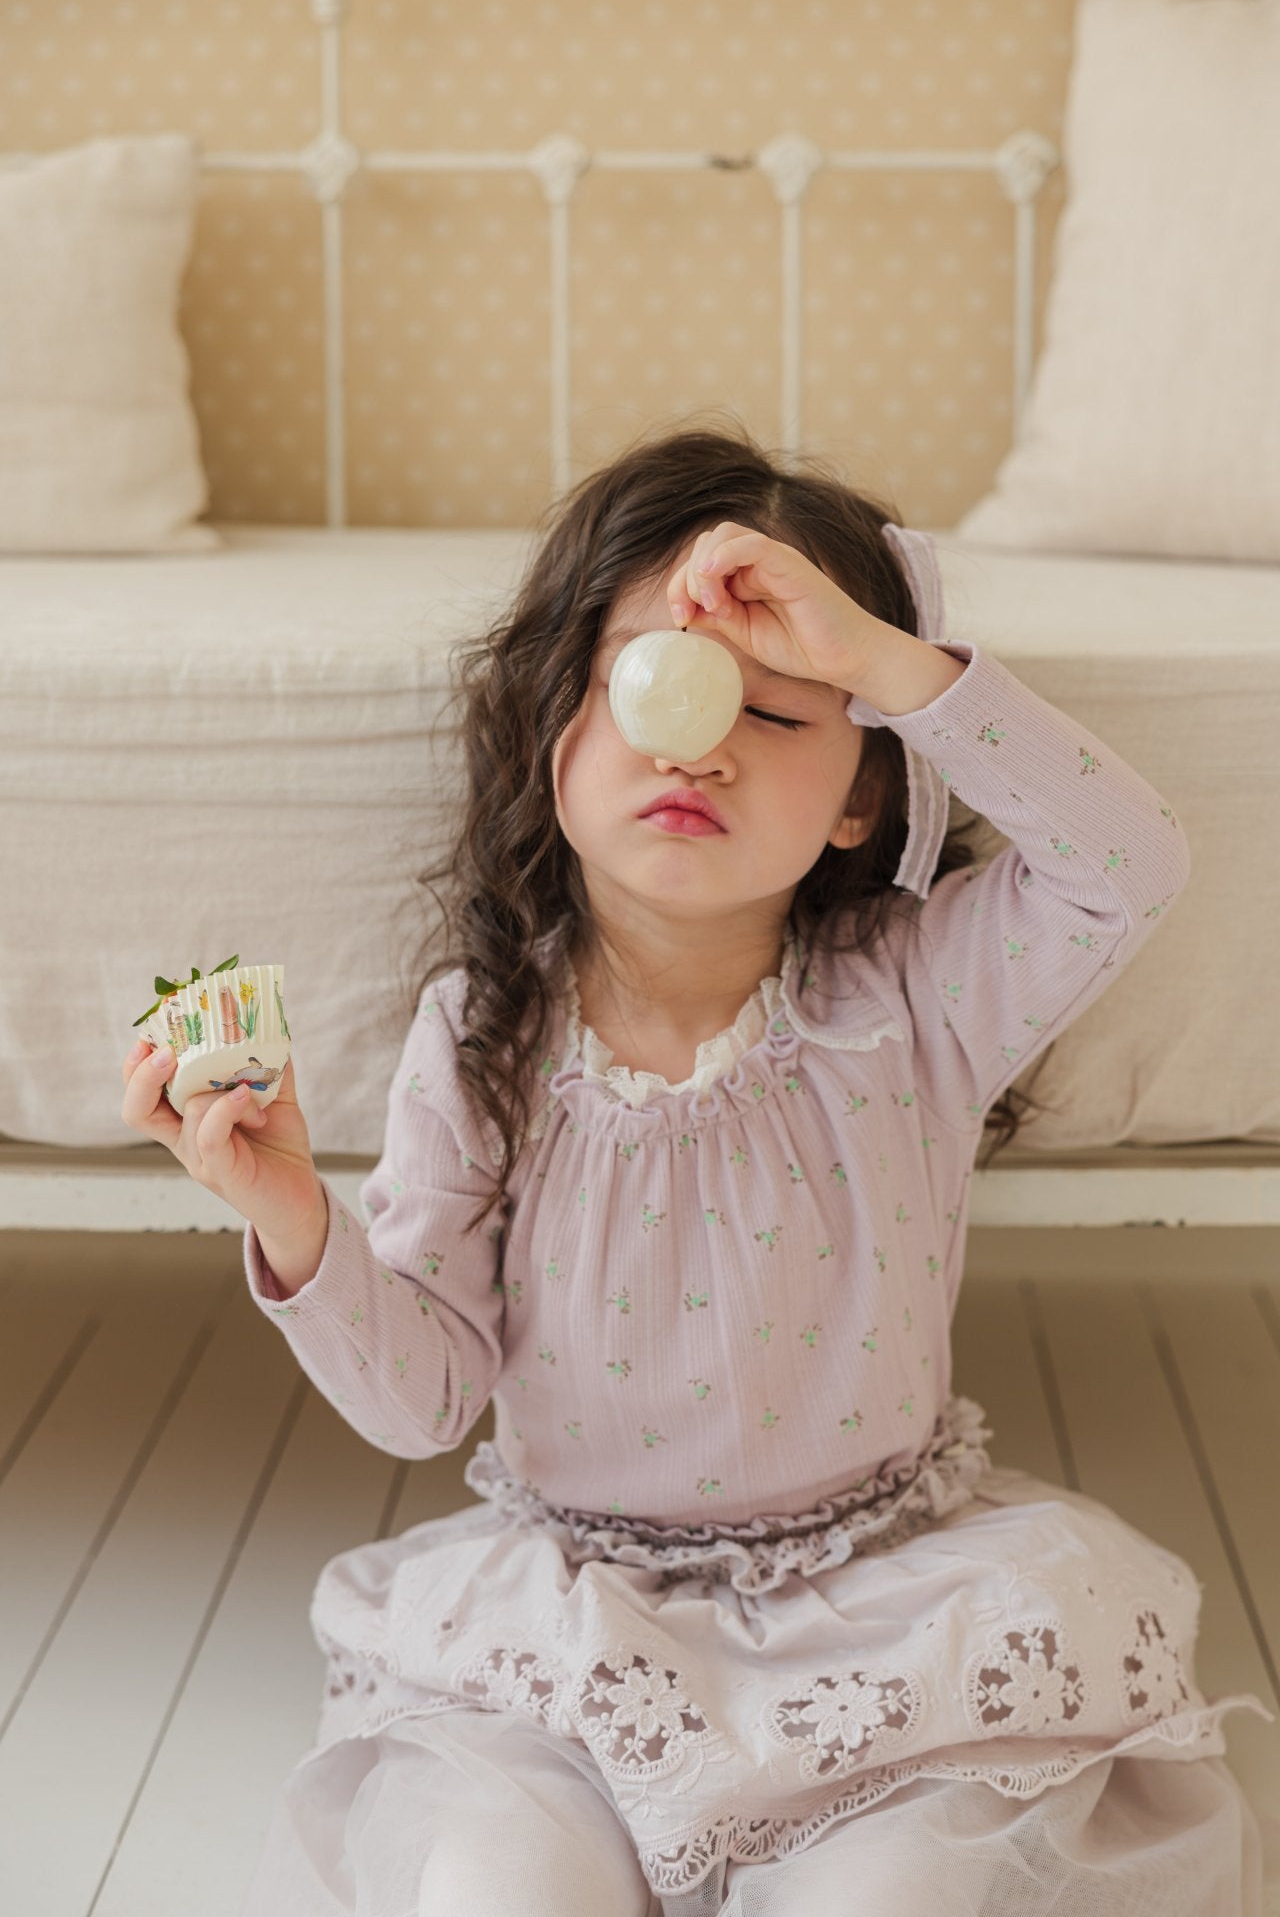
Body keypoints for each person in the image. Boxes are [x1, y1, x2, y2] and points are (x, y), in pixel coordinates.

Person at [121, 425, 1272, 1916]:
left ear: (862, 795)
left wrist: (877, 656)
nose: (697, 743)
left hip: (882, 1610)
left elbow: (1129, 864)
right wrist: (293, 1216)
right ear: (554, 731)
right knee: (498, 1891)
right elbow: (422, 1400)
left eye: (778, 710)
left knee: (894, 1899)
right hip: (581, 1625)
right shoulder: (482, 1038)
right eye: (647, 685)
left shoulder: (913, 998)